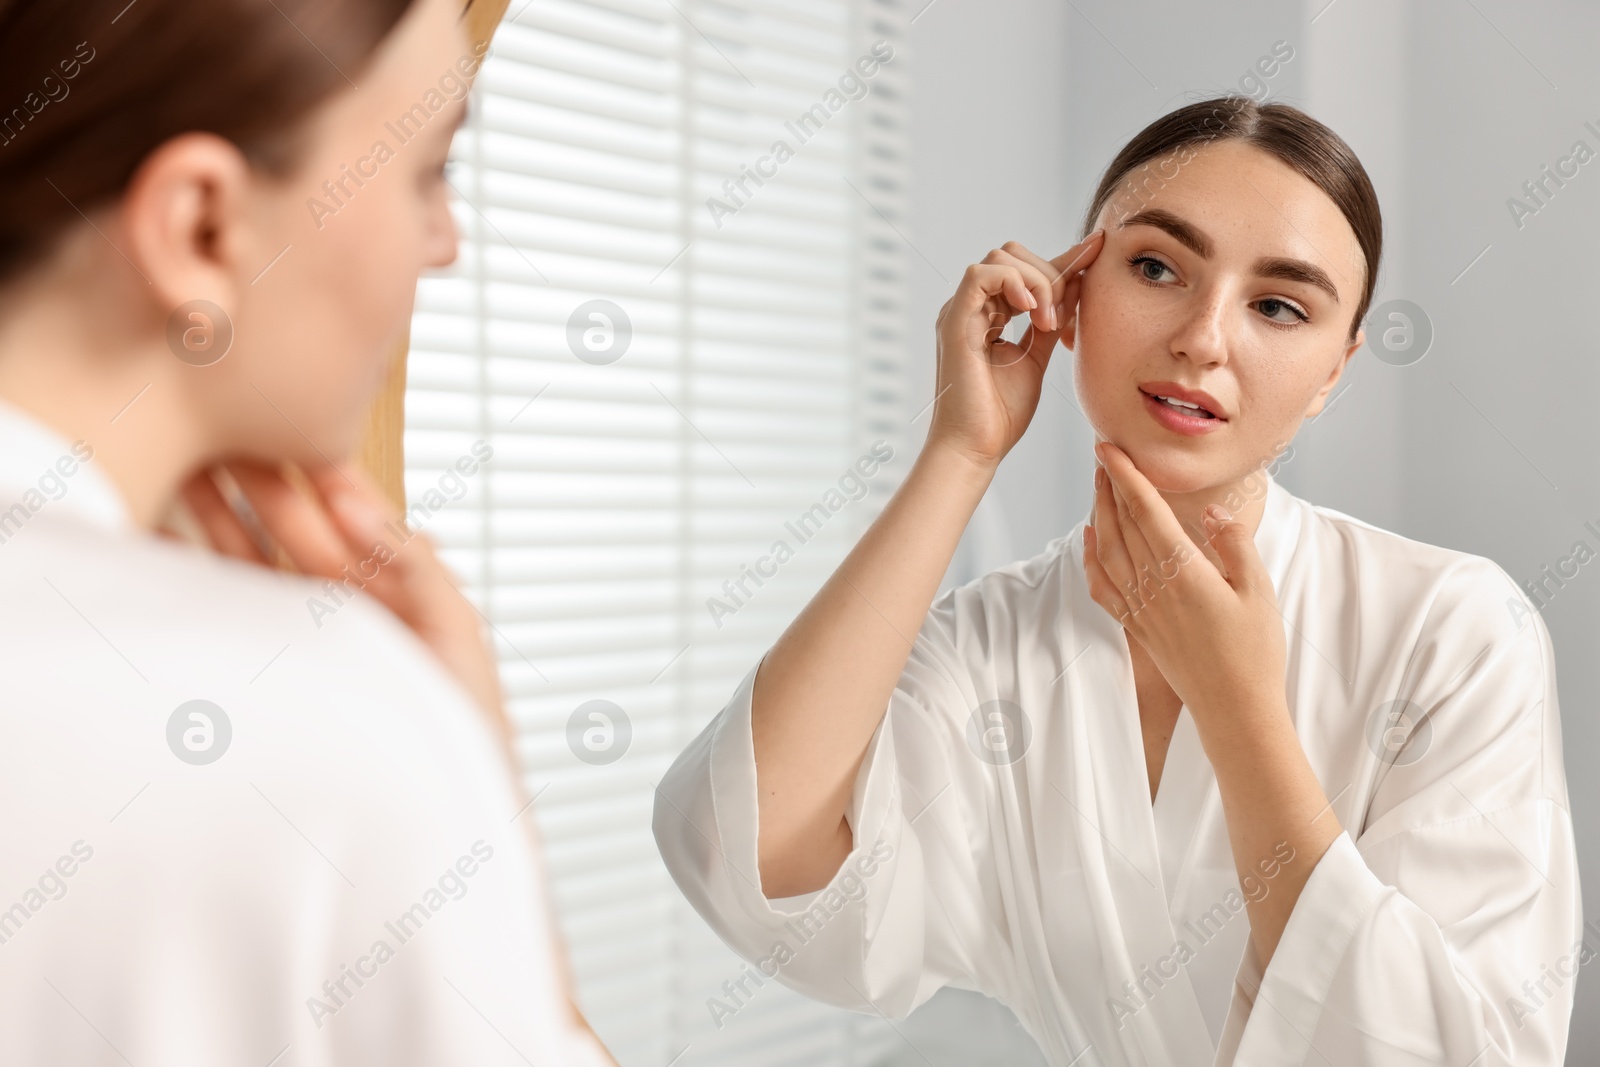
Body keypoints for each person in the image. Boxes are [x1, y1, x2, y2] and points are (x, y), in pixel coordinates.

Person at [654, 96, 1582, 1065]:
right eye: (1154, 267)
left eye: (1277, 305)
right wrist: (960, 452)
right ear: (1073, 293)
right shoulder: (991, 644)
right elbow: (742, 855)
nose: (1203, 337)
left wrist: (1237, 708)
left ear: (1332, 373)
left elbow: (1462, 1049)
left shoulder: (1456, 628)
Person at [0, 0, 612, 1062]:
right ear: (202, 226)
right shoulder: (331, 727)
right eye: (430, 171)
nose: (446, 245)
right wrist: (465, 782)